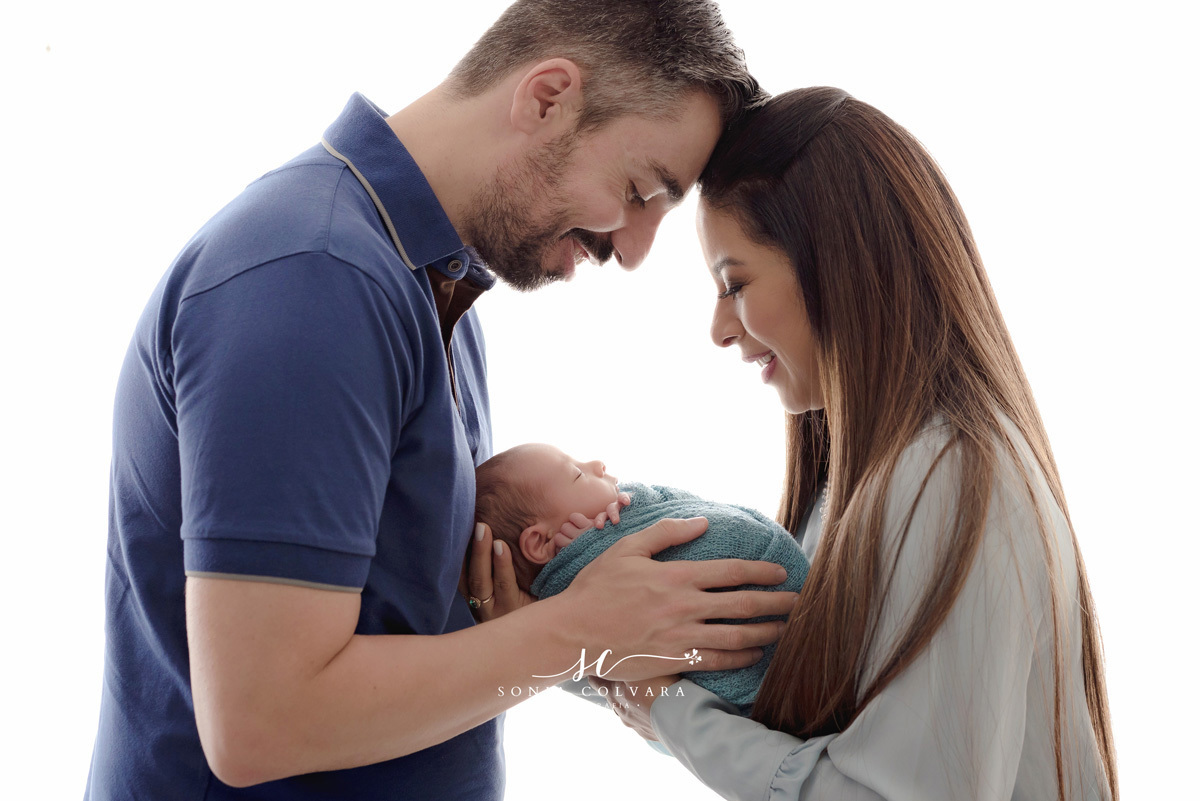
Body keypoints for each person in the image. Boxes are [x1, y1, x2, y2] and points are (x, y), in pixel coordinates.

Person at [84, 3, 802, 799]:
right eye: (638, 191)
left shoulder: (426, 289)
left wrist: (537, 627)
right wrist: (577, 632)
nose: (632, 250)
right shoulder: (313, 279)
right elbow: (262, 721)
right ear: (546, 96)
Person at [497, 88, 1121, 799]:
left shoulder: (949, 479)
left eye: (734, 285)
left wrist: (666, 704)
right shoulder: (866, 484)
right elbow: (796, 738)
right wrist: (574, 645)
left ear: (836, 263)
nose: (719, 329)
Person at [471, 443, 810, 710]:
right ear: (541, 541)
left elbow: (692, 510)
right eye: (577, 474)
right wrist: (601, 541)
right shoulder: (582, 597)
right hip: (770, 651)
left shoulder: (577, 611)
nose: (597, 464)